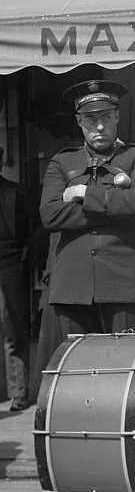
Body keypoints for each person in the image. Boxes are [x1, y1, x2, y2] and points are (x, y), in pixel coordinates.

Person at [39, 80, 135, 336]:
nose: (100, 126)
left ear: (117, 116)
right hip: (72, 287)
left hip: (124, 285)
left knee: (124, 369)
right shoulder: (61, 162)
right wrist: (115, 208)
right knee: (74, 371)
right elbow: (50, 215)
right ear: (79, 121)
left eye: (105, 117)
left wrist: (83, 194)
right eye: (91, 119)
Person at [0, 145, 30, 411]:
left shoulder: (15, 193)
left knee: (14, 331)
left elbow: (30, 233)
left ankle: (18, 393)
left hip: (10, 266)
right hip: (10, 266)